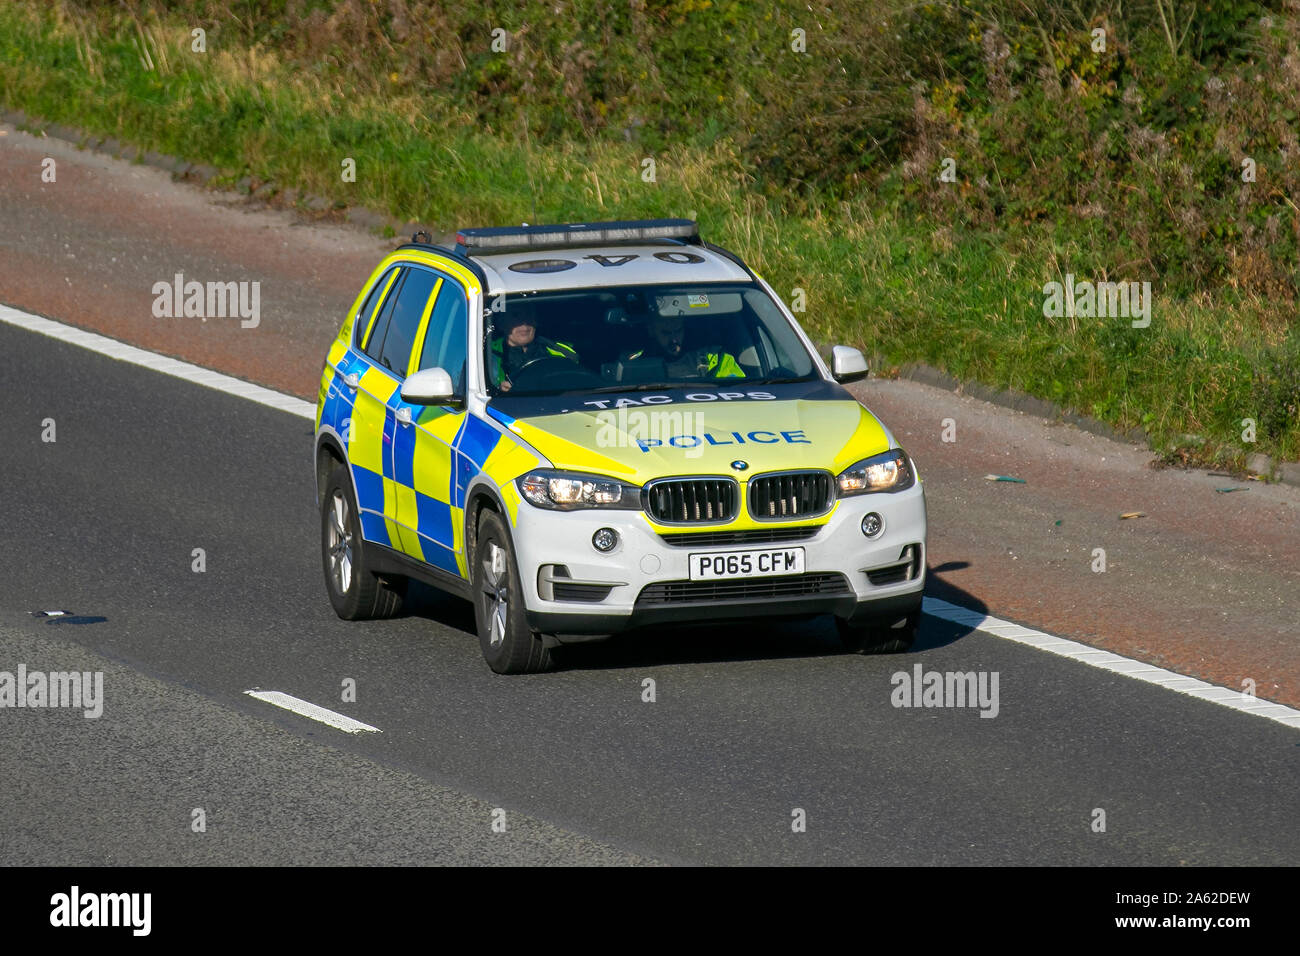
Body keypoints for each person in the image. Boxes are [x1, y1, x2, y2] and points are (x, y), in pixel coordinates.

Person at [622, 314, 745, 378]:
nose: (674, 339)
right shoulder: (633, 364)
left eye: (678, 330)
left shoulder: (715, 357)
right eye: (666, 333)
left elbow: (739, 389)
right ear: (651, 331)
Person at [490, 306, 579, 391]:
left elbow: (577, 383)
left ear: (535, 321)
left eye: (528, 315)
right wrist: (498, 389)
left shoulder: (563, 352)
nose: (524, 322)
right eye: (515, 315)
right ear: (501, 323)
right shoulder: (486, 355)